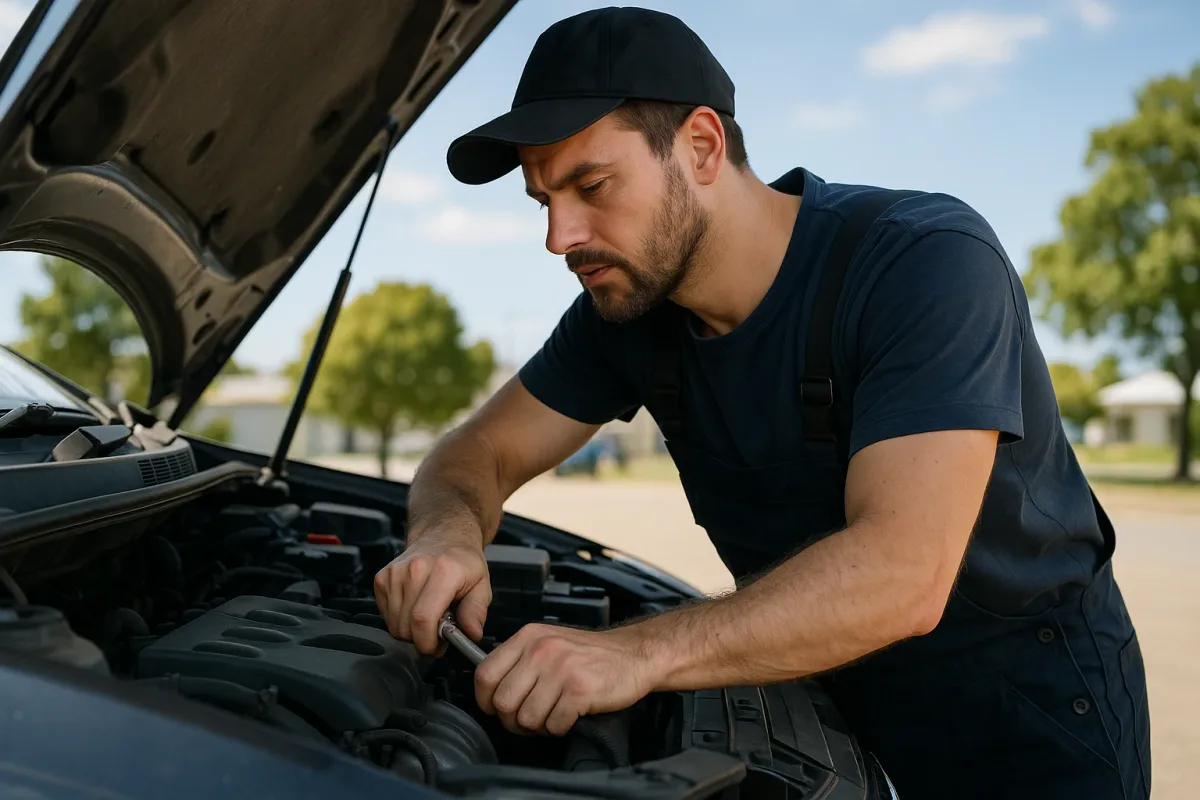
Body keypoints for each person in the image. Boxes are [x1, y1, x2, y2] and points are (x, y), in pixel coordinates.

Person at [373, 7, 1151, 798]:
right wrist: (447, 535)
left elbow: (903, 573)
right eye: (543, 200)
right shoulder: (627, 315)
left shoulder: (924, 263)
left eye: (591, 185)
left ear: (703, 146)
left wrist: (631, 653)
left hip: (1028, 727)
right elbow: (475, 453)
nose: (559, 236)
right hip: (830, 709)